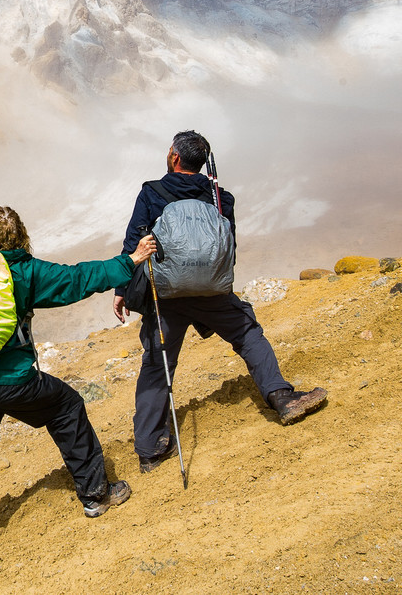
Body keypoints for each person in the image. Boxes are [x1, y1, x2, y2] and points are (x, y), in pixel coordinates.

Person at [0, 206, 157, 577]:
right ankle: (96, 495)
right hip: (12, 382)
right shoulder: (26, 272)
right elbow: (78, 279)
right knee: (67, 406)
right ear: (22, 239)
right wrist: (129, 261)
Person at [113, 130, 327, 473]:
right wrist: (218, 284)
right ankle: (282, 398)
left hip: (165, 295)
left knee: (157, 364)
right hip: (213, 292)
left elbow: (133, 243)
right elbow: (229, 245)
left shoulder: (152, 193)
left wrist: (121, 290)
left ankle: (150, 449)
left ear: (174, 157)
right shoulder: (220, 197)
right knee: (247, 333)